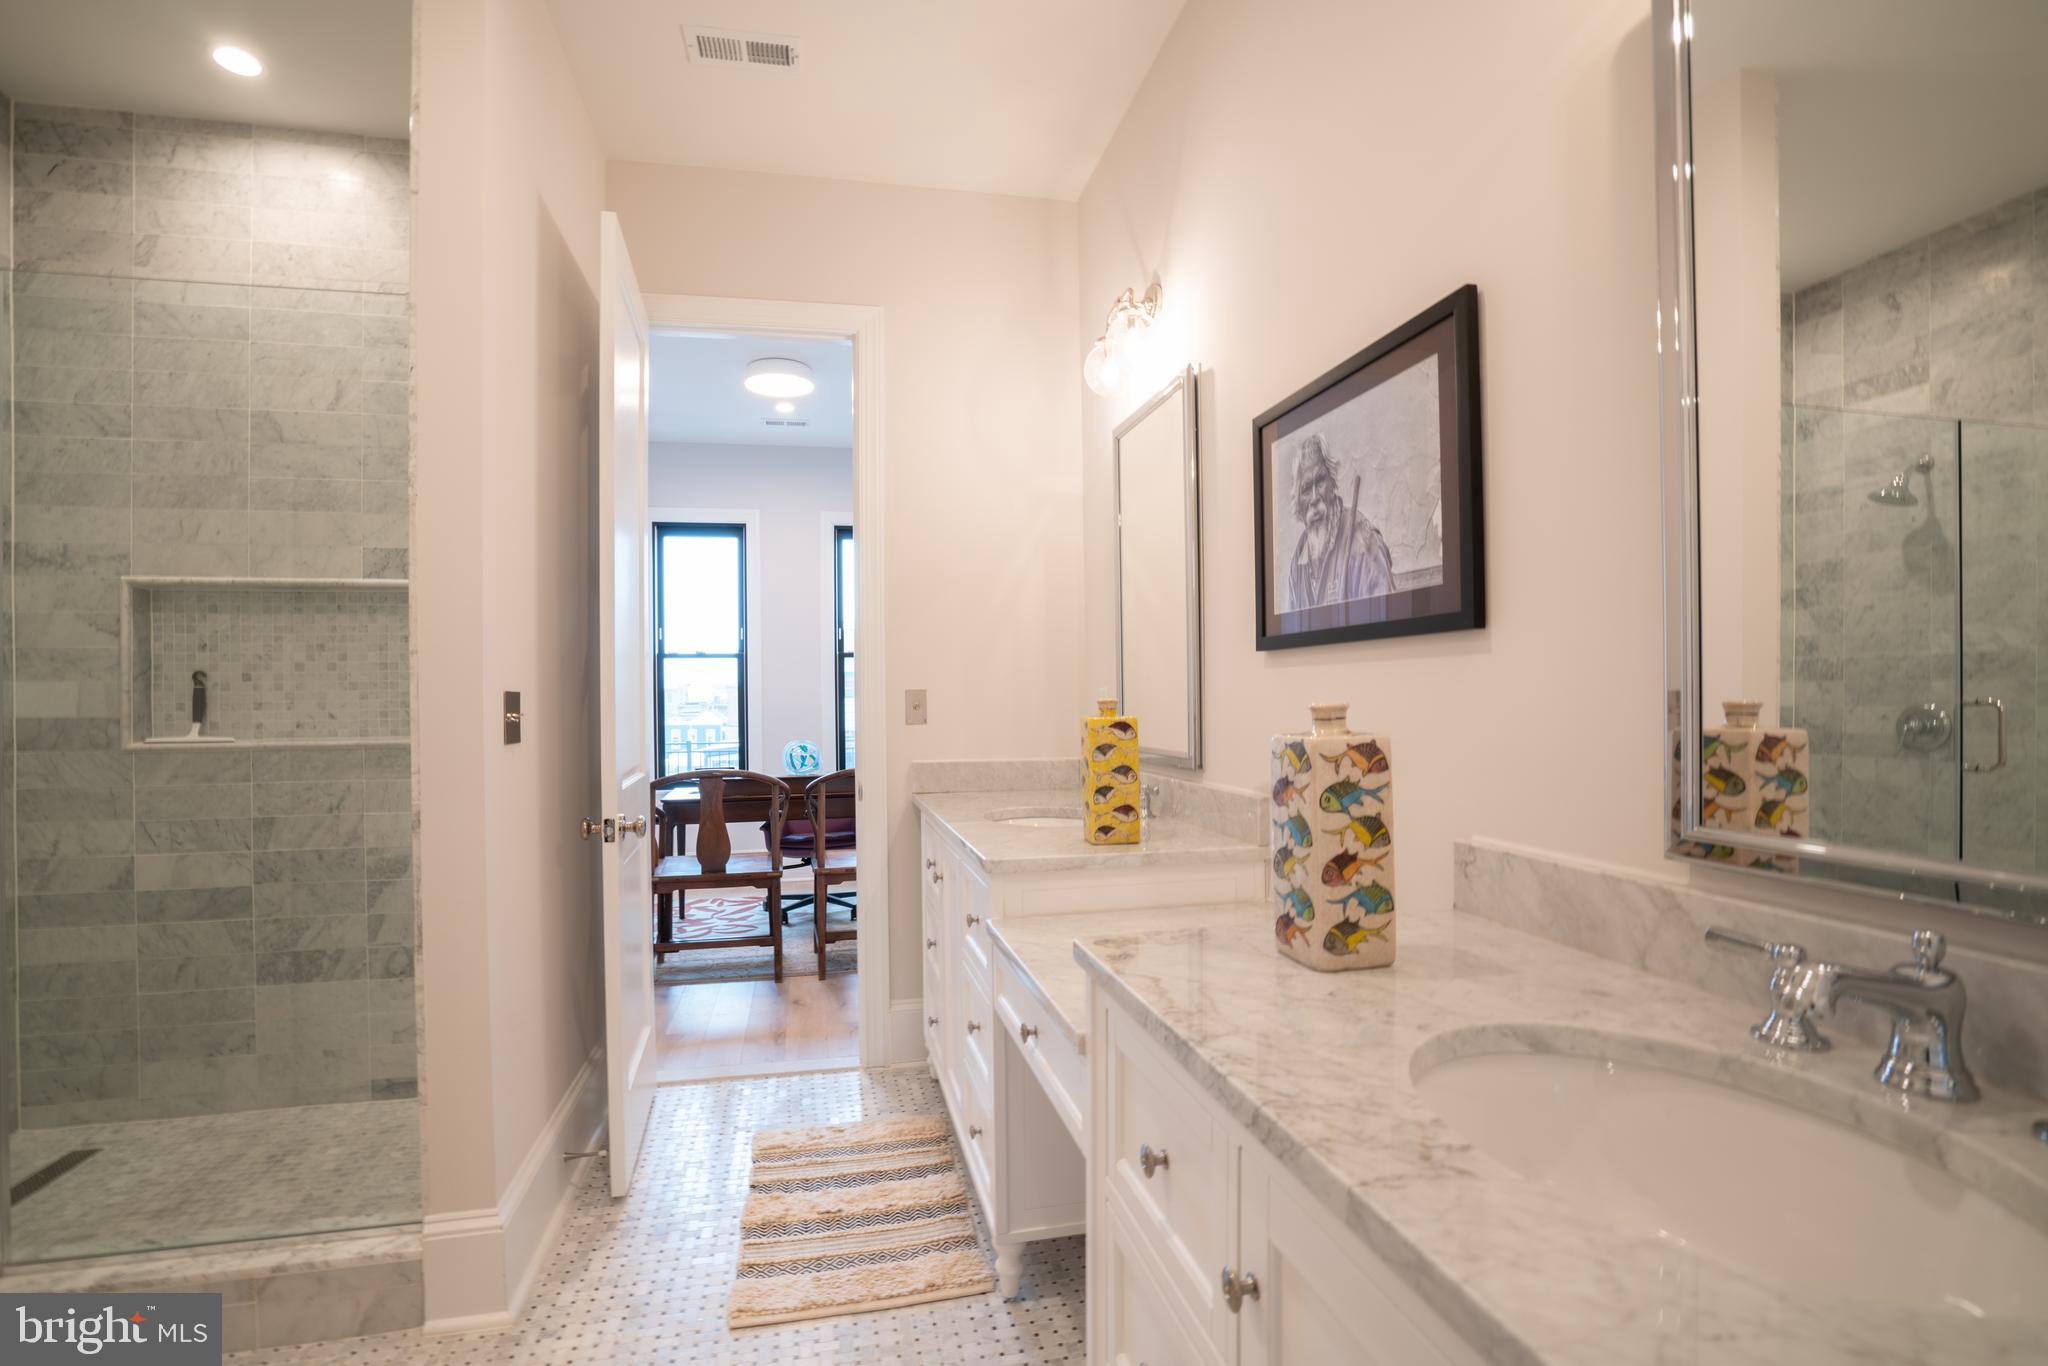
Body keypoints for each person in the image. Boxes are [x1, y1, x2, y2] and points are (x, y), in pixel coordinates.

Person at [1286, 434, 1392, 610]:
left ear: (1332, 483)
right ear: (1298, 502)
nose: (1314, 498)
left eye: (1320, 481)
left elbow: (1385, 618)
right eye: (1305, 489)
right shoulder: (1298, 564)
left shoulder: (1362, 541)